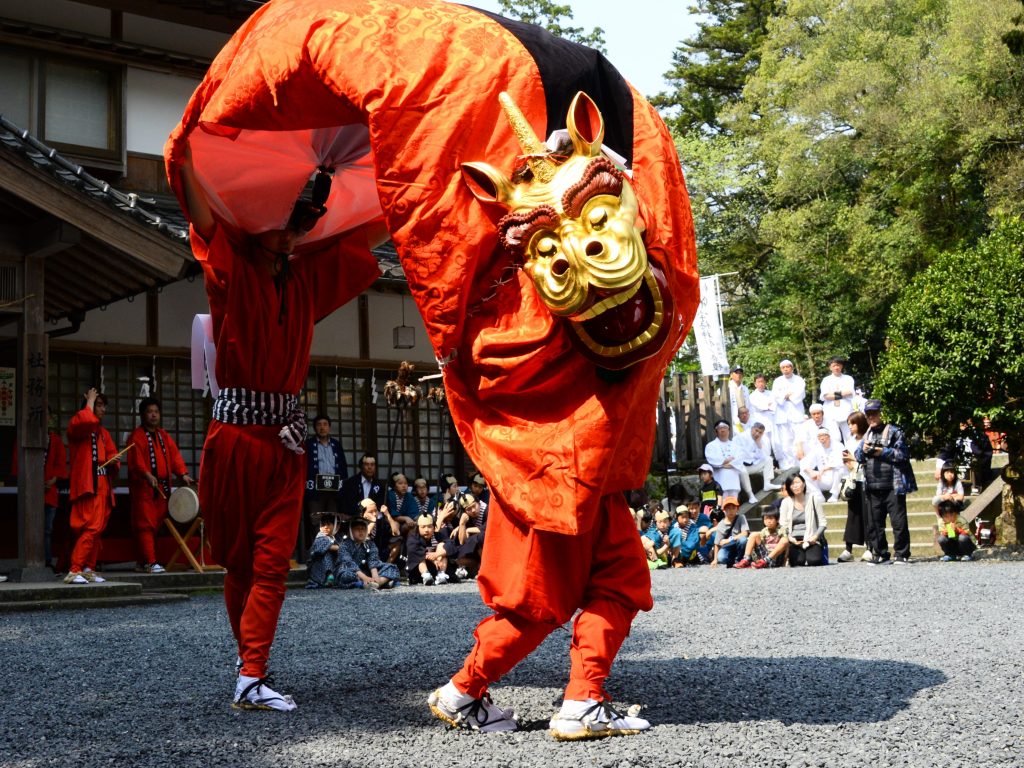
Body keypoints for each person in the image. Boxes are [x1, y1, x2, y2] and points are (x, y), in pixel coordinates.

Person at [176, 144, 384, 712]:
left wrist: (408, 180)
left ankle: (251, 671)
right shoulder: (232, 270)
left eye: (301, 222)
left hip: (284, 444)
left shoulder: (305, 277)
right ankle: (248, 662)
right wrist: (187, 155)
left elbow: (366, 237)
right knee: (239, 563)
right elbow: (200, 216)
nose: (294, 233)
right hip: (235, 441)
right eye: (284, 221)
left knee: (271, 563)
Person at [127, 397, 194, 574]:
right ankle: (150, 561)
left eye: (156, 412)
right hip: (144, 489)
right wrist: (147, 475)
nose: (154, 415)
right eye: (149, 412)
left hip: (162, 489)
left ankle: (142, 562)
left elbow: (174, 457)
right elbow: (136, 463)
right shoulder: (137, 436)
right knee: (145, 525)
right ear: (142, 415)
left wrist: (183, 474)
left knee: (155, 525)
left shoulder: (163, 435)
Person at [64, 388, 119, 584]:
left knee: (98, 529)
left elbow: (112, 453)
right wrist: (89, 401)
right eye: (99, 404)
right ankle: (75, 569)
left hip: (103, 485)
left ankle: (88, 568)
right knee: (91, 528)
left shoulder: (103, 433)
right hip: (89, 484)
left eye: (104, 405)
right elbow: (85, 421)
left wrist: (113, 460)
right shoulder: (76, 427)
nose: (103, 409)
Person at [11, 406, 68, 569]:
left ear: (50, 418)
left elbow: (60, 464)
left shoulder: (55, 441)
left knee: (47, 530)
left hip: (49, 491)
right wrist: (32, 482)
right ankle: (29, 561)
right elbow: (18, 464)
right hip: (30, 492)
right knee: (29, 528)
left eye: (47, 416)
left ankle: (47, 561)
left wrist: (53, 479)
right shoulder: (23, 439)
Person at [855, 399, 911, 565]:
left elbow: (903, 455)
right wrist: (864, 451)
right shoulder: (866, 435)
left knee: (898, 522)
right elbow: (857, 457)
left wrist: (882, 452)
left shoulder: (894, 432)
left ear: (881, 413)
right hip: (872, 485)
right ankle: (880, 553)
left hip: (893, 484)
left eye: (875, 413)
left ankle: (902, 553)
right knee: (874, 524)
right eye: (869, 414)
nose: (872, 417)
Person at [303, 415, 347, 552]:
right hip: (315, 489)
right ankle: (316, 552)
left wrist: (342, 485)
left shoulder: (336, 445)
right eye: (319, 425)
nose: (322, 427)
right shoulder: (309, 445)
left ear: (329, 427)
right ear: (315, 427)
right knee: (315, 520)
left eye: (325, 424)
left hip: (333, 490)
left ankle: (331, 551)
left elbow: (343, 467)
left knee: (332, 520)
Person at [837, 412, 873, 563]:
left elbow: (866, 459)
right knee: (853, 515)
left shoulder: (868, 439)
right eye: (849, 424)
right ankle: (848, 548)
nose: (850, 427)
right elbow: (848, 459)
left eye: (853, 423)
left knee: (867, 515)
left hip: (866, 479)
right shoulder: (850, 441)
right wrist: (850, 461)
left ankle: (870, 548)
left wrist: (853, 459)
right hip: (853, 479)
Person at [778, 473, 828, 567]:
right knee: (798, 562)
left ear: (804, 484)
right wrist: (790, 538)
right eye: (792, 484)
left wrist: (815, 536)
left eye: (797, 482)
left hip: (811, 538)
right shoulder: (786, 502)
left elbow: (823, 522)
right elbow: (782, 524)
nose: (795, 486)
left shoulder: (813, 498)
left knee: (814, 561)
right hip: (794, 540)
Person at [338, 515, 400, 589]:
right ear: (351, 531)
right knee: (345, 575)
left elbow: (373, 560)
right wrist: (364, 577)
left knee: (392, 568)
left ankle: (378, 583)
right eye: (357, 529)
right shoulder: (344, 545)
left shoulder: (370, 543)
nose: (361, 531)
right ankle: (364, 584)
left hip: (367, 571)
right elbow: (349, 562)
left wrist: (375, 575)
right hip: (353, 571)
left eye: (363, 529)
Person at [705, 420, 757, 505]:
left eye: (725, 428)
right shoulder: (710, 446)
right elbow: (711, 459)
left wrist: (726, 464)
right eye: (720, 428)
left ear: (729, 430)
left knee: (734, 503)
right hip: (720, 479)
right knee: (722, 504)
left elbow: (739, 459)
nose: (723, 430)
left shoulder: (735, 445)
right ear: (716, 431)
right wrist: (726, 461)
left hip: (733, 479)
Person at [772, 359, 806, 470]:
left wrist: (786, 396)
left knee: (799, 440)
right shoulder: (777, 381)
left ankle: (800, 466)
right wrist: (787, 395)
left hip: (796, 412)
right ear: (781, 369)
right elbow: (776, 396)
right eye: (783, 367)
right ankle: (787, 467)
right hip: (782, 414)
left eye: (788, 367)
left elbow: (799, 394)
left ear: (792, 368)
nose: (786, 369)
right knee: (785, 442)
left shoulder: (799, 380)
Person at [800, 427, 847, 502]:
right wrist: (811, 472)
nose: (821, 438)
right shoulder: (817, 448)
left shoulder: (838, 445)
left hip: (837, 479)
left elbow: (842, 462)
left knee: (840, 469)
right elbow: (804, 463)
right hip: (822, 478)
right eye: (819, 436)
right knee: (803, 472)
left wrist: (824, 469)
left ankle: (835, 495)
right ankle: (819, 496)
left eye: (823, 435)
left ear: (828, 436)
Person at [406, 513, 455, 585]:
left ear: (434, 527)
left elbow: (452, 546)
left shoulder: (438, 536)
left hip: (437, 566)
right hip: (418, 570)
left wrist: (437, 554)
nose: (426, 530)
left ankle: (441, 575)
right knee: (419, 558)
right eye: (423, 527)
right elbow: (414, 550)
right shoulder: (413, 537)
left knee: (442, 546)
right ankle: (426, 576)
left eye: (429, 527)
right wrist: (432, 559)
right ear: (418, 528)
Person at [819, 357, 855, 445]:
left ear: (841, 366)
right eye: (834, 365)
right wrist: (841, 394)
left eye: (838, 365)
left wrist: (833, 394)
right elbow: (826, 396)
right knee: (835, 437)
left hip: (846, 411)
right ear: (830, 367)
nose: (836, 367)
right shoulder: (826, 380)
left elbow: (850, 392)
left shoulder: (848, 378)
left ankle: (851, 456)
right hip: (831, 413)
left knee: (850, 436)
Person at [736, 422, 781, 492]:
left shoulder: (759, 439)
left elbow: (762, 456)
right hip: (741, 468)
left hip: (751, 466)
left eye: (760, 432)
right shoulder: (741, 437)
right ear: (752, 429)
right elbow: (744, 455)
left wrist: (758, 442)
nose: (757, 434)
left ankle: (767, 484)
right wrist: (754, 456)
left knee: (768, 459)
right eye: (756, 430)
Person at [359, 497, 402, 566]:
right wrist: (373, 522)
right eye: (370, 512)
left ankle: (386, 566)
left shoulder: (380, 522)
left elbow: (397, 532)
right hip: (363, 556)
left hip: (379, 553)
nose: (374, 514)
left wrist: (387, 515)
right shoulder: (357, 523)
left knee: (398, 540)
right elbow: (365, 536)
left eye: (375, 511)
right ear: (363, 514)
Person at [341, 453, 385, 517]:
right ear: (361, 466)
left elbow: (380, 506)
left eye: (372, 465)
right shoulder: (351, 482)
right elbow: (347, 505)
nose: (369, 467)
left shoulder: (379, 485)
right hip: (354, 518)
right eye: (366, 464)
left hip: (373, 518)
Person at [305, 512, 342, 588]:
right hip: (318, 567)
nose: (325, 527)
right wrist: (338, 547)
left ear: (336, 526)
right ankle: (329, 575)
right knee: (326, 554)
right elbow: (320, 550)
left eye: (328, 524)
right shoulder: (320, 538)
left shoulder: (334, 538)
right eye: (323, 525)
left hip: (331, 566)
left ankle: (333, 576)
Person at [710, 496, 749, 568]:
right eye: (728, 508)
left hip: (738, 543)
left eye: (733, 508)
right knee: (721, 558)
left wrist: (729, 539)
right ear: (724, 510)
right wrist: (715, 559)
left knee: (743, 540)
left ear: (737, 509)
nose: (731, 511)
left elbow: (745, 533)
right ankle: (733, 561)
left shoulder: (741, 517)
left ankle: (740, 560)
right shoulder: (721, 524)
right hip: (727, 547)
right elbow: (717, 543)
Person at [386, 472, 418, 539]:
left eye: (406, 483)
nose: (404, 486)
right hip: (390, 522)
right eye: (400, 483)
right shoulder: (389, 495)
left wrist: (416, 520)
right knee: (396, 525)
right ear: (394, 486)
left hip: (406, 523)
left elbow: (414, 513)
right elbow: (391, 514)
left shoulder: (409, 496)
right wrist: (405, 518)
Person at [748, 374, 777, 443]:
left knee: (776, 445)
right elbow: (760, 407)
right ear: (755, 384)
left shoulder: (771, 393)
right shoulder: (752, 396)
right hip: (760, 423)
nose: (761, 384)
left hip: (772, 422)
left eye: (762, 381)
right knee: (764, 446)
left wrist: (768, 406)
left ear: (765, 383)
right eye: (759, 382)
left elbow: (774, 405)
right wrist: (767, 405)